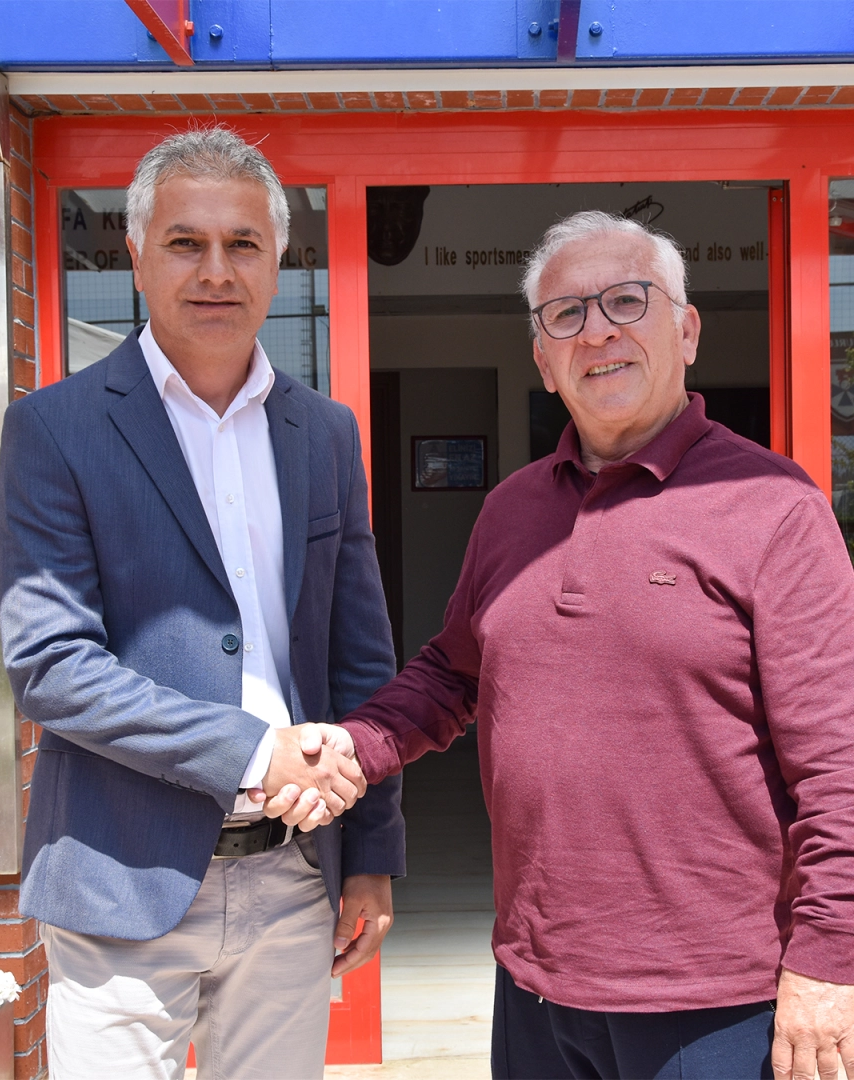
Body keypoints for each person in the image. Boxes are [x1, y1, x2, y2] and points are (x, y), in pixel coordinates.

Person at [281, 210, 854, 1079]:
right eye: (567, 314)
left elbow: (839, 763)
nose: (598, 332)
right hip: (537, 985)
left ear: (687, 332)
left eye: (628, 301)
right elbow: (452, 675)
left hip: (717, 1001)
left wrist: (829, 961)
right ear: (544, 362)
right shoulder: (511, 510)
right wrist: (355, 746)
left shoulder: (776, 508)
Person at [0, 127, 404, 1080]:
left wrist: (372, 852)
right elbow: (50, 665)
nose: (216, 270)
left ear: (277, 262)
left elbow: (361, 661)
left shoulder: (325, 433)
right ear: (136, 256)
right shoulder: (53, 430)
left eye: (242, 244)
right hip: (120, 879)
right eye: (186, 242)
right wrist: (256, 751)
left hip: (294, 878)